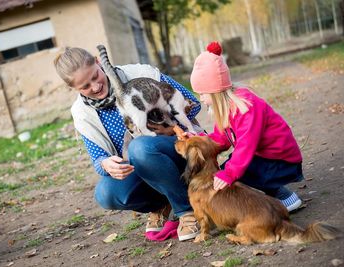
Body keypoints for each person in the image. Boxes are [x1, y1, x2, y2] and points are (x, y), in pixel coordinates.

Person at [54, 47, 202, 241]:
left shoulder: (140, 74)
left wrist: (163, 125)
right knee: (106, 193)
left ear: (99, 62)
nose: (95, 87)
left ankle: (187, 210)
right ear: (74, 89)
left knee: (139, 147)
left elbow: (192, 103)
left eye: (95, 76)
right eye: (85, 87)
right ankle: (161, 204)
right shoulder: (82, 113)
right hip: (143, 171)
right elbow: (97, 159)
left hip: (180, 151)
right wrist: (105, 164)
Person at [188, 41, 303, 212]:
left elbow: (246, 145)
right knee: (232, 168)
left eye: (202, 93)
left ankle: (285, 197)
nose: (201, 98)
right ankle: (271, 192)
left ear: (215, 90)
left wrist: (229, 173)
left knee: (236, 171)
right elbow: (221, 139)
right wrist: (200, 142)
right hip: (264, 157)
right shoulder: (225, 108)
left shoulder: (246, 106)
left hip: (281, 160)